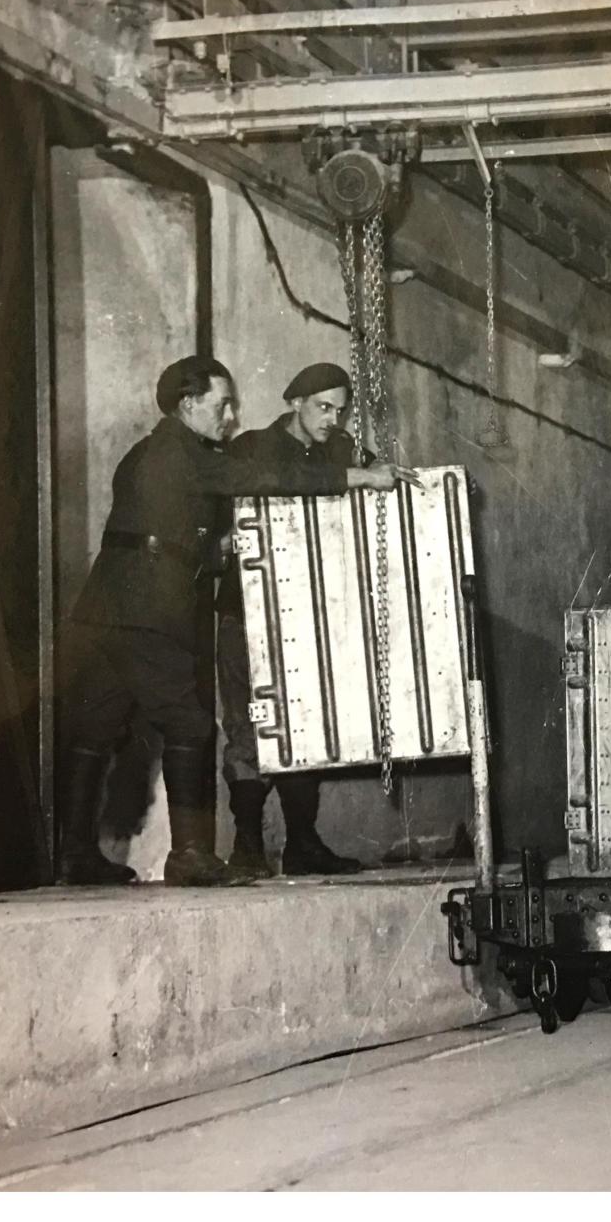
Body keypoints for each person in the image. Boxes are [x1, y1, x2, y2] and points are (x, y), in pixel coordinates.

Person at [58, 355, 409, 888]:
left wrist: (216, 550)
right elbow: (256, 474)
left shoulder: (144, 454)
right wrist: (358, 477)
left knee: (94, 729)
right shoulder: (183, 451)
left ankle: (75, 855)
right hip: (148, 610)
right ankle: (189, 856)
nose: (229, 415)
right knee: (189, 724)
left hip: (106, 608)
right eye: (221, 404)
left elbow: (165, 530)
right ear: (188, 403)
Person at [215, 361, 412, 877]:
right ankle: (248, 847)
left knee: (308, 722)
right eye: (323, 407)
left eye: (340, 410)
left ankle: (302, 843)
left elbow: (378, 488)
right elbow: (277, 481)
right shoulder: (252, 447)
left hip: (310, 616)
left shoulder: (341, 449)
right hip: (248, 613)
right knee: (249, 728)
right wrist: (358, 476)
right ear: (294, 402)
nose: (333, 419)